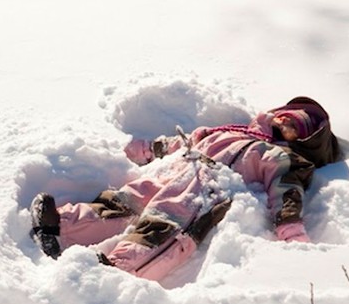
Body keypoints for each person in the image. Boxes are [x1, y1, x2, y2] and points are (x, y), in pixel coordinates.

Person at [30, 97, 341, 282]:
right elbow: (186, 142)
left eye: (296, 126)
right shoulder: (229, 132)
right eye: (285, 117)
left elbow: (285, 189)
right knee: (125, 201)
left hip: (207, 187)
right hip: (178, 169)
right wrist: (149, 150)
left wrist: (290, 226)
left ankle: (119, 269)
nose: (285, 123)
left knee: (164, 225)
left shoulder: (278, 156)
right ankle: (61, 227)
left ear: (303, 139)